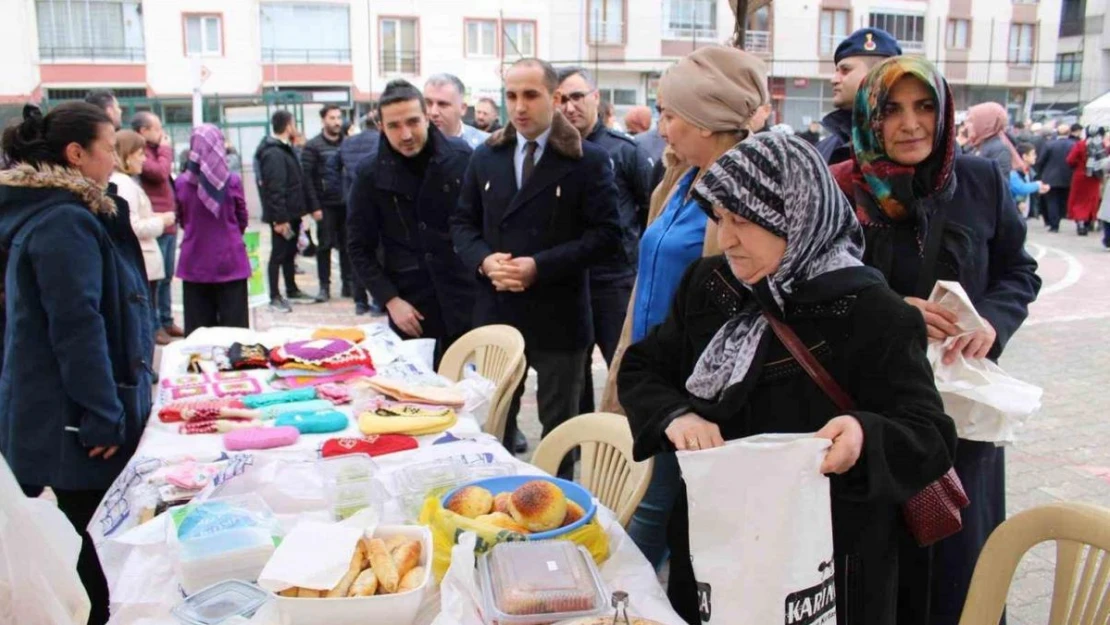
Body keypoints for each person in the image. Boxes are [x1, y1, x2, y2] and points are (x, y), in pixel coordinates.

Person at [618, 133, 957, 625]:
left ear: (796, 216)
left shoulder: (872, 311)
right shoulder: (711, 286)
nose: (727, 238)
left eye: (744, 221)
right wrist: (675, 415)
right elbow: (644, 367)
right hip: (717, 543)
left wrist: (863, 433)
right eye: (720, 218)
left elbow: (929, 434)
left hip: (827, 562)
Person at [830, 57, 1041, 625]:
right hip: (874, 419)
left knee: (960, 572)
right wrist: (888, 312)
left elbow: (1018, 271)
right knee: (883, 574)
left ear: (946, 111)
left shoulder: (978, 180)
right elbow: (809, 290)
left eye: (925, 107)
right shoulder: (842, 187)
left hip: (961, 421)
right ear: (870, 117)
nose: (910, 124)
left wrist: (992, 322)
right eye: (892, 109)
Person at [599, 45, 766, 571]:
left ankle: (624, 605)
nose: (662, 126)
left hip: (691, 390)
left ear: (706, 119)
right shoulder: (676, 179)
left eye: (670, 114)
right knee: (647, 510)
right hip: (650, 370)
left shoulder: (743, 193)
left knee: (645, 517)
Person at [0, 102, 154, 625]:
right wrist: (101, 413)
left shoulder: (69, 214)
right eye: (109, 146)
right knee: (92, 553)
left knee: (90, 543)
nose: (115, 156)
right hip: (72, 422)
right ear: (76, 153)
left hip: (75, 412)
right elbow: (76, 326)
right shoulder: (63, 222)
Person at [451, 58, 620, 475]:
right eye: (511, 96)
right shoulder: (486, 156)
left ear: (555, 98)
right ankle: (495, 495)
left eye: (531, 95)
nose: (520, 106)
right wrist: (485, 260)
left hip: (558, 314)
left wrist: (538, 267)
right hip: (498, 308)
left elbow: (606, 236)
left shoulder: (588, 161)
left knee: (559, 426)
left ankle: (554, 508)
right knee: (495, 422)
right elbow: (461, 223)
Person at [347, 79, 476, 365]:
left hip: (464, 298)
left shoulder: (462, 157)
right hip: (411, 307)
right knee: (417, 400)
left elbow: (480, 226)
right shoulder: (369, 174)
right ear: (381, 126)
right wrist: (390, 300)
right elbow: (359, 247)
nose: (406, 134)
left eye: (413, 122)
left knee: (471, 394)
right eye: (394, 126)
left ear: (427, 118)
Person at [556, 67, 654, 416]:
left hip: (615, 282)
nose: (569, 107)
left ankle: (630, 449)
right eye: (562, 100)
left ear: (596, 97)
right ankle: (582, 444)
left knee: (625, 371)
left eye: (577, 97)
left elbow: (650, 211)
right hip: (567, 282)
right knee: (572, 377)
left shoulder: (625, 152)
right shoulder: (552, 154)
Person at [175, 124, 251, 336]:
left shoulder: (181, 183)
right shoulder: (232, 181)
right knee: (235, 334)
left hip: (194, 263)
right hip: (230, 262)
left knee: (199, 334)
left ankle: (201, 370)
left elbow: (182, 218)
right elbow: (242, 217)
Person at [111, 130, 172, 336]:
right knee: (142, 323)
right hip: (142, 260)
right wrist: (161, 221)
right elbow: (133, 226)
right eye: (140, 154)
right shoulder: (124, 184)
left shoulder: (126, 182)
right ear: (127, 155)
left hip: (144, 261)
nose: (144, 159)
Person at [132, 111, 183, 344]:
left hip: (168, 222)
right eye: (157, 128)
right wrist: (165, 150)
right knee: (156, 278)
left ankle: (166, 319)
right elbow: (160, 173)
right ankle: (155, 325)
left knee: (167, 276)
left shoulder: (154, 151)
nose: (161, 133)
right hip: (155, 224)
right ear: (143, 131)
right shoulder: (142, 153)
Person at [817, 27, 902, 165]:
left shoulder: (911, 143)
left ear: (878, 75)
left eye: (845, 70)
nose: (834, 79)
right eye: (836, 71)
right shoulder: (824, 150)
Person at [255, 109, 311, 312]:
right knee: (278, 255)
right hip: (282, 216)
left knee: (289, 253)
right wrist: (279, 219)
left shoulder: (284, 149)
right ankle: (275, 295)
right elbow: (275, 188)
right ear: (288, 126)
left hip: (292, 213)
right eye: (293, 123)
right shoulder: (273, 153)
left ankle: (291, 288)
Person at [327, 114, 381, 315]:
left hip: (352, 205)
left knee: (358, 254)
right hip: (378, 206)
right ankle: (377, 301)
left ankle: (360, 301)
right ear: (378, 125)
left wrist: (340, 193)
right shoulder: (381, 141)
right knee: (378, 255)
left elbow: (331, 167)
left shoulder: (347, 144)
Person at [302, 104, 352, 302]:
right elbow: (307, 178)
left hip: (346, 203)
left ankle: (348, 284)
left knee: (348, 246)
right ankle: (324, 286)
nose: (337, 122)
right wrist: (314, 207)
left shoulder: (348, 144)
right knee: (325, 246)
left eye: (339, 117)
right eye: (332, 118)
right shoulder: (313, 146)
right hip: (325, 205)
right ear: (323, 120)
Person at [424, 74, 489, 149]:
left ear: (462, 108)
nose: (433, 112)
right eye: (428, 103)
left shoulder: (485, 145)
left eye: (442, 104)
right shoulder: (413, 145)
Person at [1035, 124, 1077, 232]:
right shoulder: (1073, 145)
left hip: (1050, 177)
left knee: (1051, 201)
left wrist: (1040, 173)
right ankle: (1061, 216)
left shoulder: (1049, 145)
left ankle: (1054, 224)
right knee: (1063, 200)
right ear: (1069, 133)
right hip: (1068, 177)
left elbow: (1041, 160)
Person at [965, 102, 1024, 178]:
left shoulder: (999, 149)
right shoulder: (975, 146)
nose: (966, 126)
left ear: (985, 123)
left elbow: (999, 184)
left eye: (971, 121)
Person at [1065, 126, 1104, 235]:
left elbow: (1070, 159)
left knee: (1079, 200)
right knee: (1091, 200)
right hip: (1095, 177)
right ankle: (1088, 222)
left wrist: (1078, 165)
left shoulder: (1080, 144)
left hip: (1080, 175)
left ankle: (1080, 222)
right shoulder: (1101, 146)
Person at [1010, 143, 1050, 218]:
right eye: (1033, 154)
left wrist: (1037, 189)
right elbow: (1020, 188)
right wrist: (1037, 185)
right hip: (1014, 212)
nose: (1035, 157)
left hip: (1023, 211)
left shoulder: (1029, 171)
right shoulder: (1014, 172)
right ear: (1025, 157)